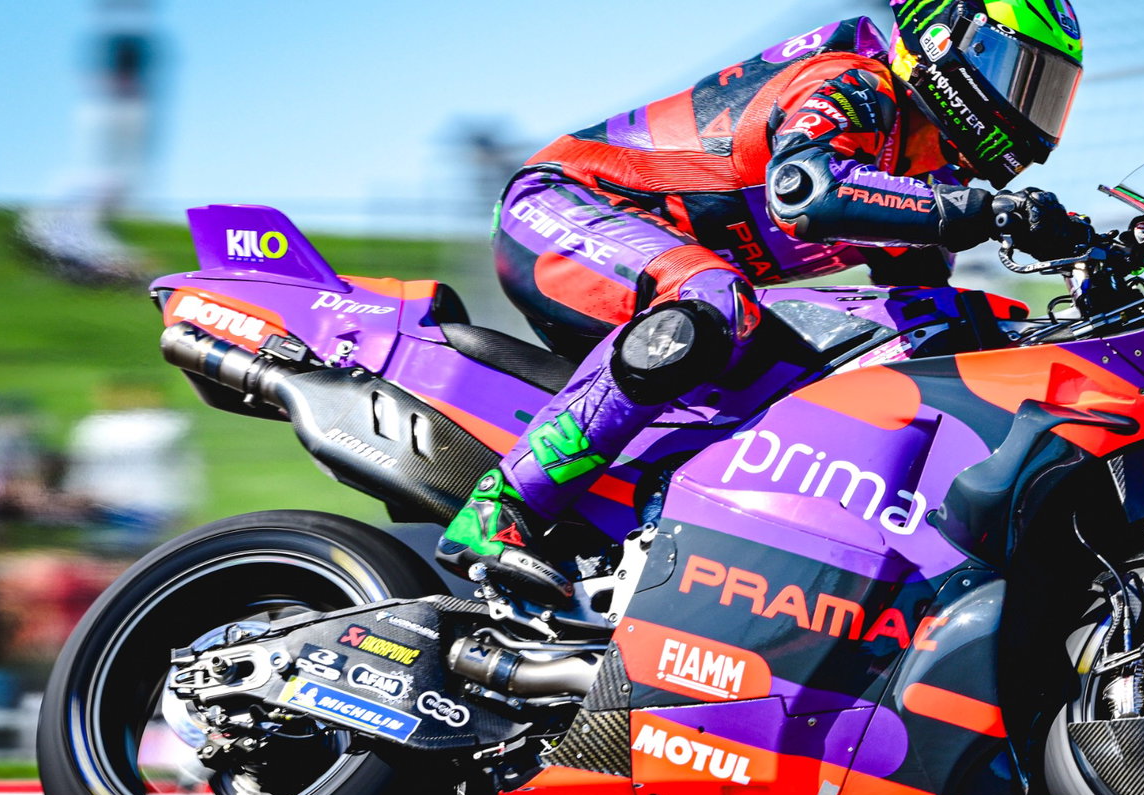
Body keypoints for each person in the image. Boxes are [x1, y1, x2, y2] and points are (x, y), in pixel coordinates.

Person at [436, 0, 1091, 602]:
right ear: (947, 41)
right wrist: (990, 212)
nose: (1030, 106)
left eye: (1049, 92)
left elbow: (923, 316)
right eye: (1020, 75)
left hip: (660, 279)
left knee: (863, 354)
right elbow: (807, 191)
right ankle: (498, 511)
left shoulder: (926, 175)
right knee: (718, 301)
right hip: (562, 203)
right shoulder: (854, 83)